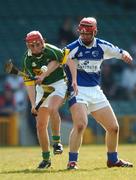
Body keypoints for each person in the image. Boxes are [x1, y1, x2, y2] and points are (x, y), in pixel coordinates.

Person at [64, 17, 133, 169]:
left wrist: (126, 55)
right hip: (77, 90)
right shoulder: (72, 47)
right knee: (81, 124)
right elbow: (57, 60)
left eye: (88, 34)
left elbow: (120, 52)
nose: (85, 36)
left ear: (95, 32)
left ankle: (113, 160)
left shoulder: (102, 46)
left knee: (113, 127)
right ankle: (72, 161)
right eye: (82, 34)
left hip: (95, 91)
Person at [21, 30, 77, 169]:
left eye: (37, 44)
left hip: (59, 84)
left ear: (42, 42)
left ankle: (57, 142)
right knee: (40, 126)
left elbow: (68, 62)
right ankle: (46, 159)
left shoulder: (52, 50)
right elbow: (29, 85)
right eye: (31, 45)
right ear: (28, 46)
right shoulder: (27, 60)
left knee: (53, 108)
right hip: (42, 89)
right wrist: (33, 104)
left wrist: (74, 81)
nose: (35, 48)